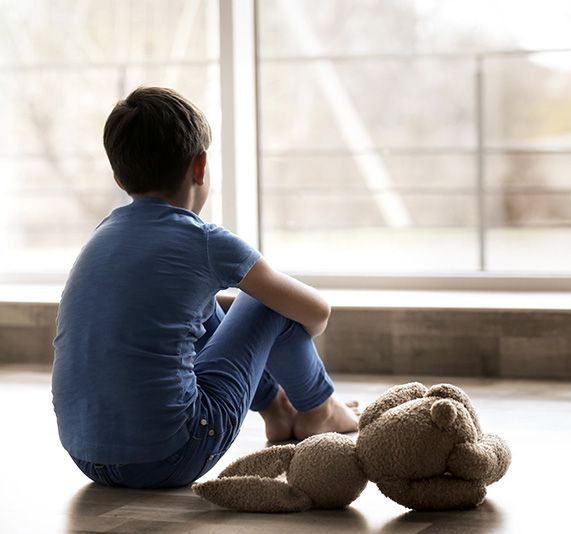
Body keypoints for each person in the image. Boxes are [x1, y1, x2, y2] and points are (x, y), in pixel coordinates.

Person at [51, 86, 359, 489]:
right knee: (268, 302)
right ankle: (319, 410)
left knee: (199, 303)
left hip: (87, 455)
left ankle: (277, 410)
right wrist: (289, 335)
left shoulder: (102, 234)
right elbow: (316, 312)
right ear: (200, 167)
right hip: (170, 454)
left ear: (119, 177)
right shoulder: (205, 241)